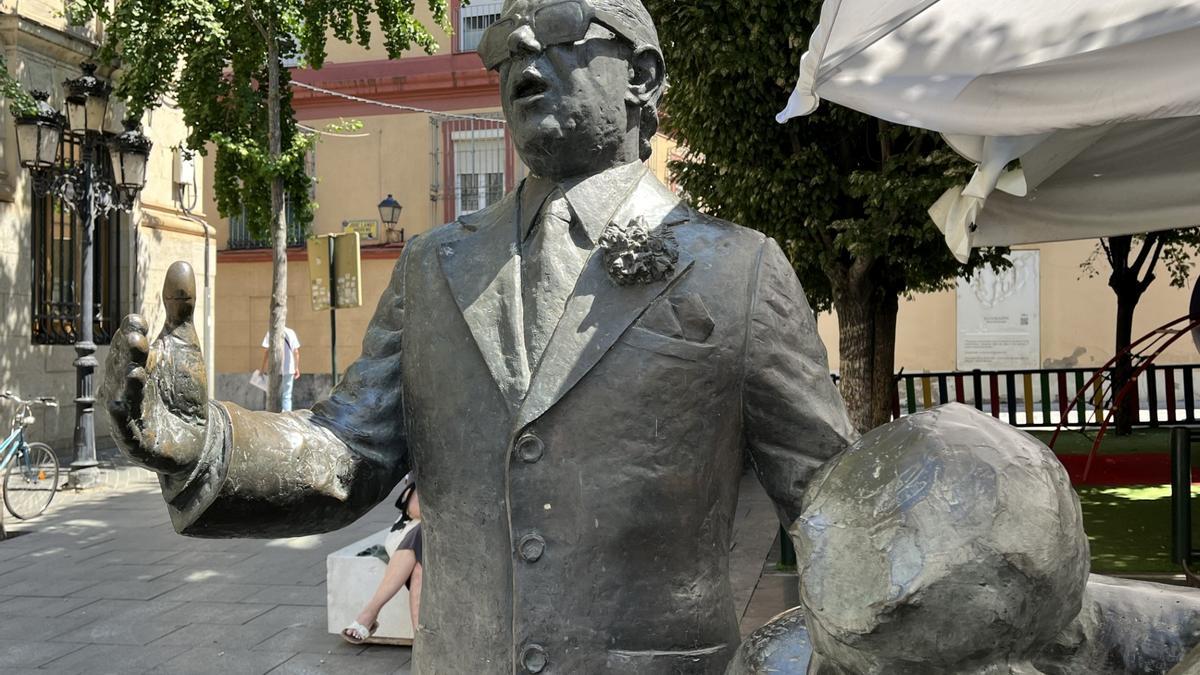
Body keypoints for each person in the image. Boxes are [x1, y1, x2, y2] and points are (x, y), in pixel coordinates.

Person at [100, 1, 856, 672]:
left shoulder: (738, 268)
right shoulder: (433, 267)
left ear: (642, 75)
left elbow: (835, 511)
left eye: (558, 26)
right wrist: (208, 443)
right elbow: (348, 450)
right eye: (500, 37)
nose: (521, 42)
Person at [343, 480, 423, 644]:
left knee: (419, 567)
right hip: (411, 537)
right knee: (420, 537)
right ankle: (420, 644)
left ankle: (370, 613)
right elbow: (414, 508)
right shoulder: (429, 464)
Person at [259, 326, 300, 411]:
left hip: (275, 368)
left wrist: (262, 368)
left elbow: (267, 351)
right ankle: (286, 415)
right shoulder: (291, 332)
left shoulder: (271, 332)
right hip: (289, 368)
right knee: (287, 396)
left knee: (272, 394)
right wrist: (296, 367)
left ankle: (272, 412)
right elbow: (296, 352)